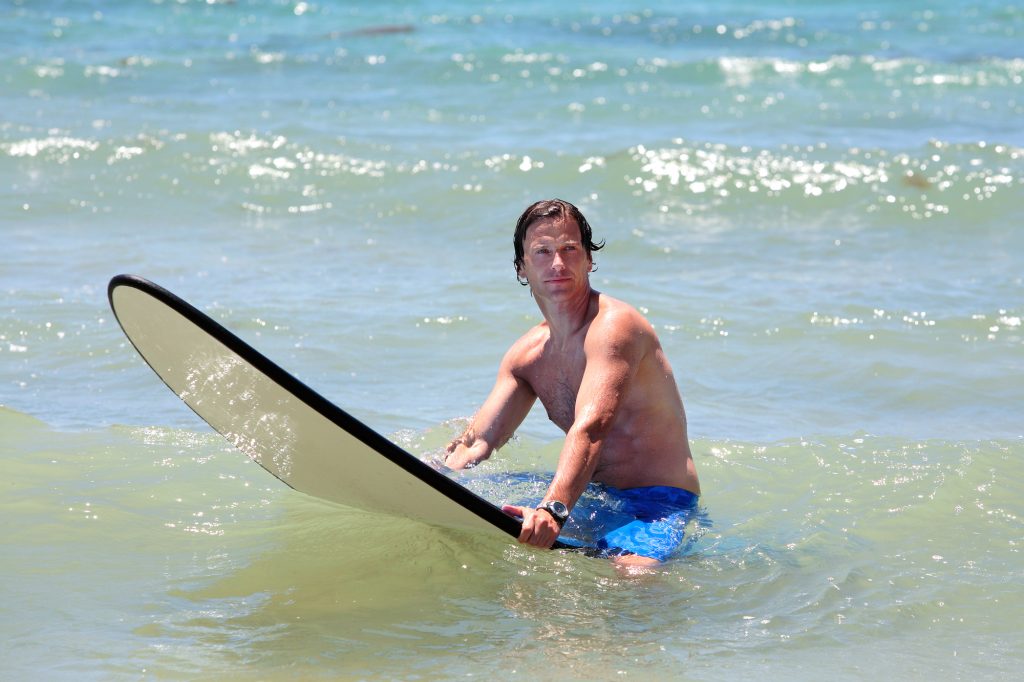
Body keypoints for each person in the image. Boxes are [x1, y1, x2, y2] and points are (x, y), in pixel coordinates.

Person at [444, 199, 701, 568]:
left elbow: (591, 428)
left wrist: (553, 510)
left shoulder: (615, 328)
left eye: (569, 249)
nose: (558, 264)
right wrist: (433, 474)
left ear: (589, 260)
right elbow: (477, 441)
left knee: (631, 576)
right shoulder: (528, 356)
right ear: (522, 267)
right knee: (476, 507)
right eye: (543, 252)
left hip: (658, 502)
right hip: (593, 498)